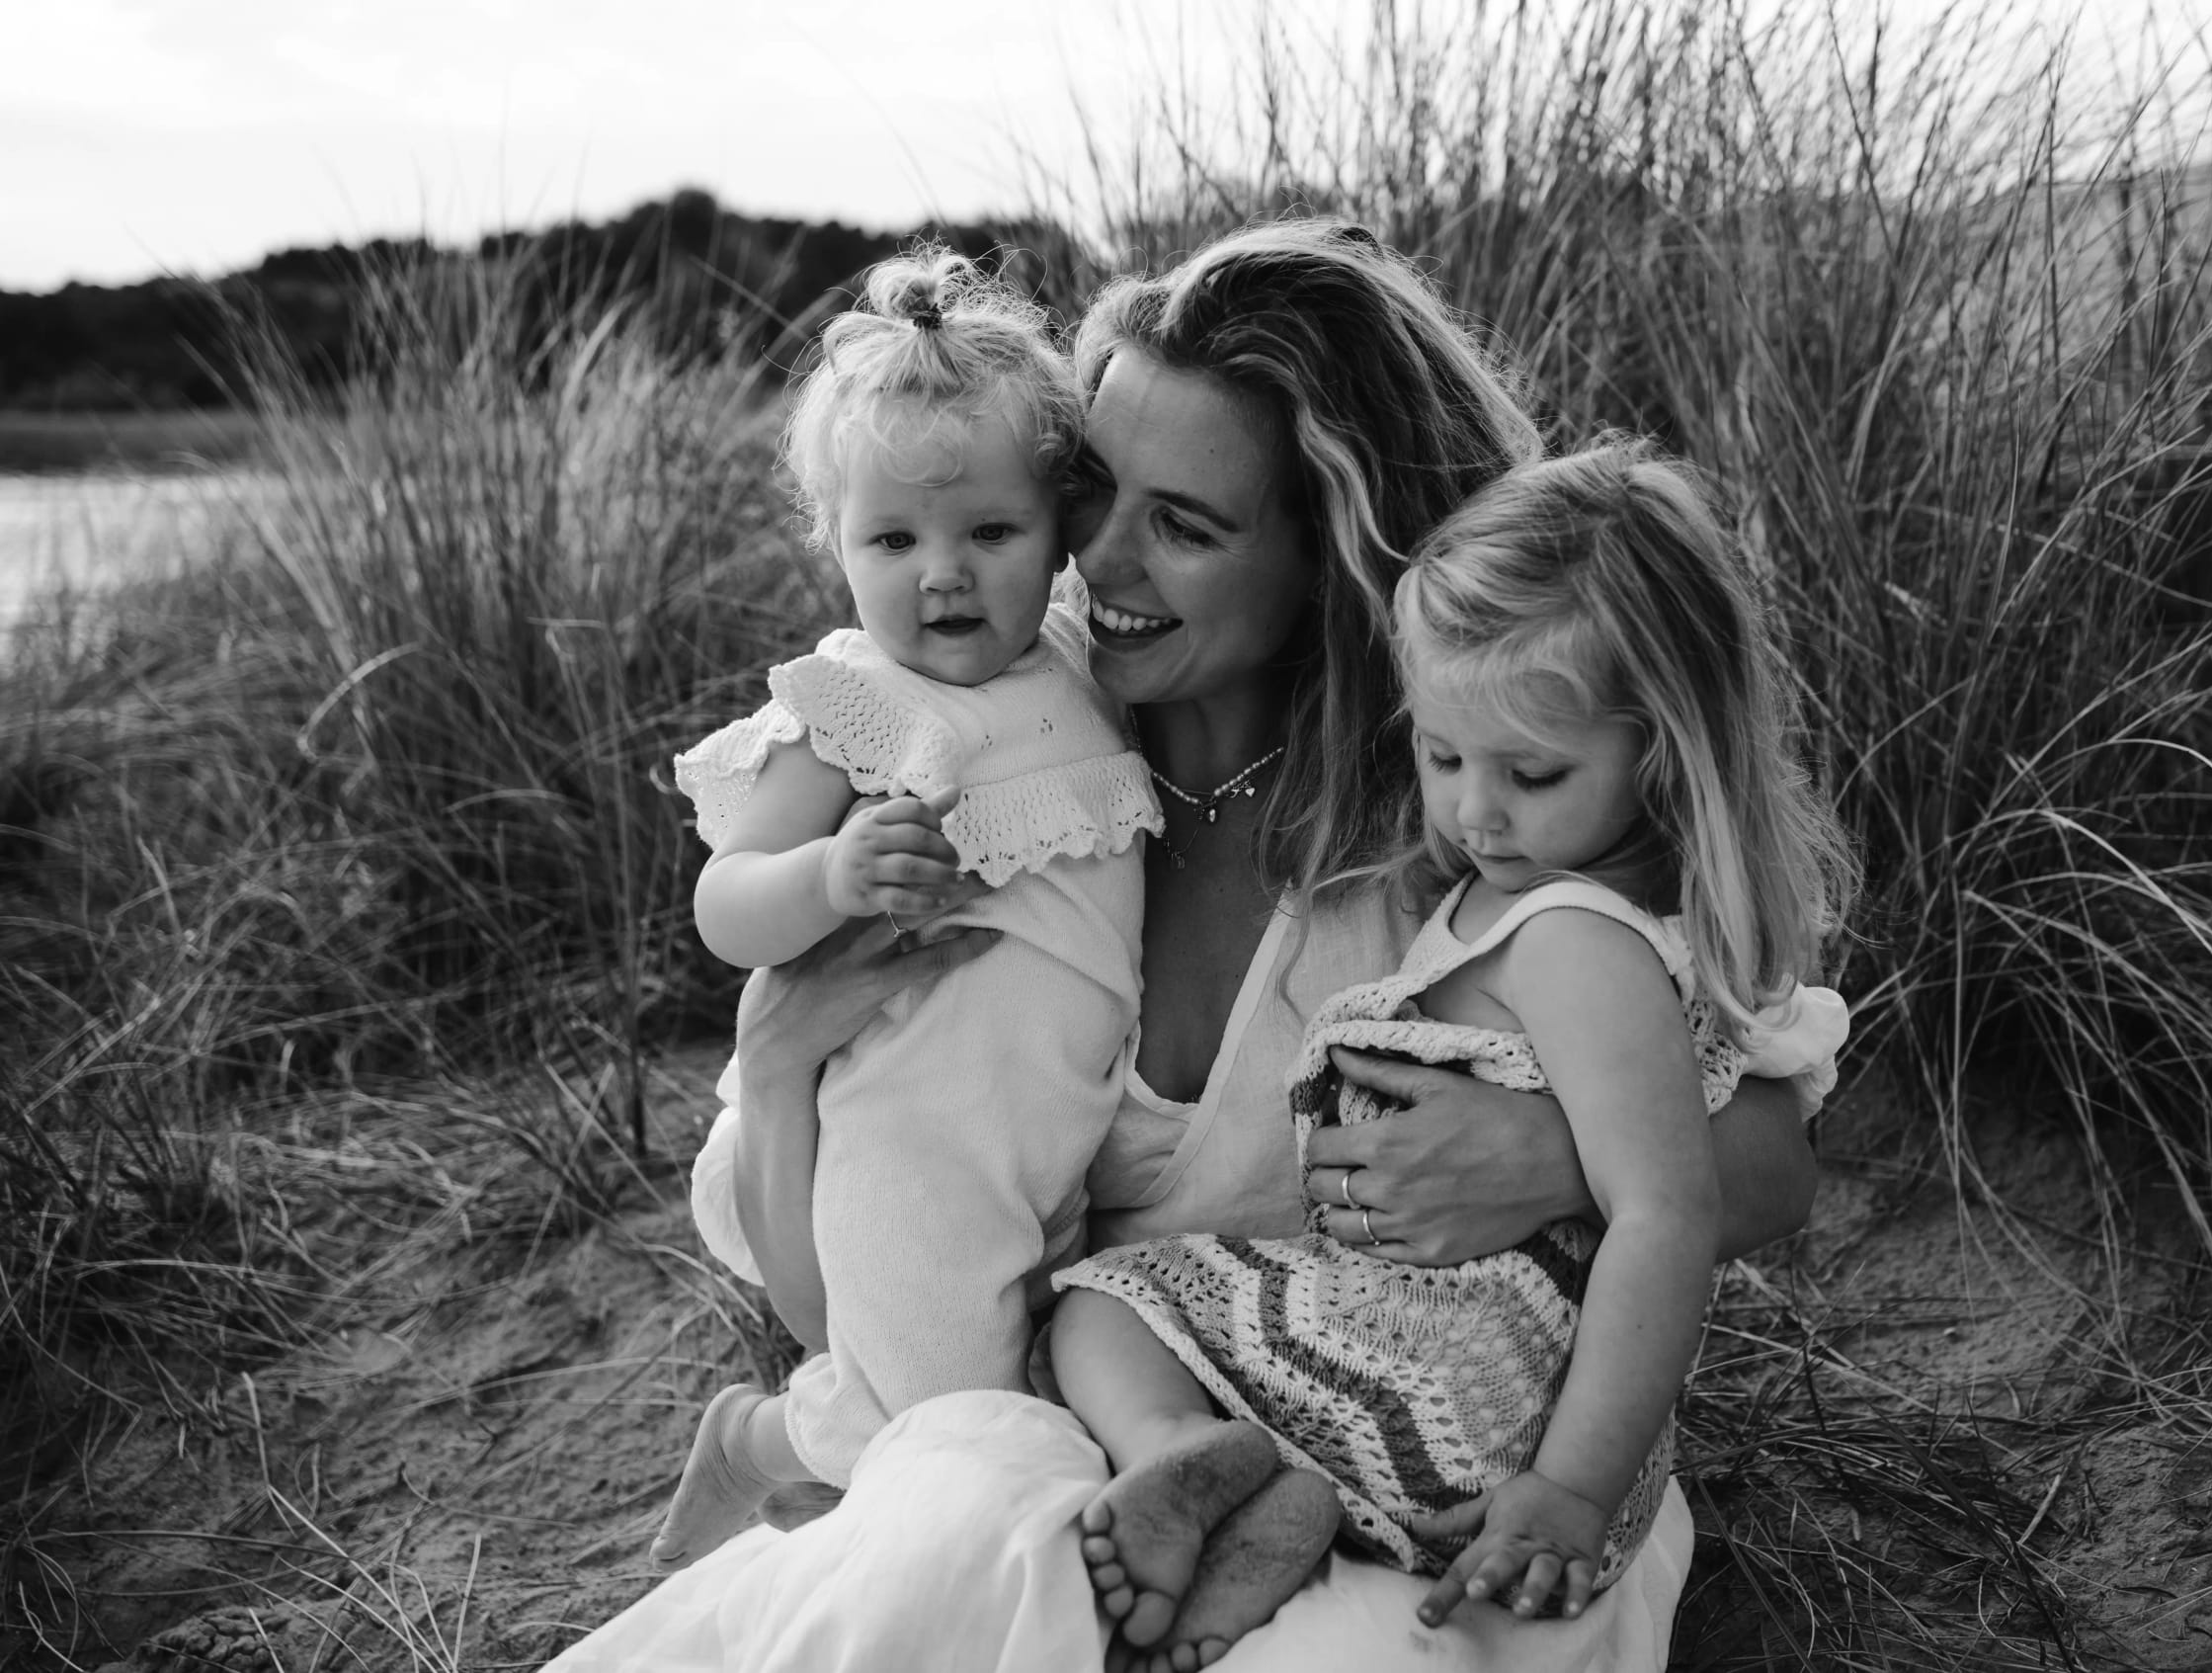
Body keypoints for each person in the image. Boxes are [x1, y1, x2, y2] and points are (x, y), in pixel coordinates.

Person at [547, 220, 1831, 1673]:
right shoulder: (1002, 755)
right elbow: (845, 1307)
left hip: (1422, 1468)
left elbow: (1778, 1145)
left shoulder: (1484, 797)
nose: (1097, 555)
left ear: (1332, 550)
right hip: (1092, 1437)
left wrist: (1549, 1157)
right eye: (1089, 491)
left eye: (1187, 522)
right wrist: (777, 1069)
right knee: (951, 1524)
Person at [1049, 443, 1853, 1672]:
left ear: (1660, 747)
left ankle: (1176, 1444)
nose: (1476, 812)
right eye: (1442, 757)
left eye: (1532, 773)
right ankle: (1276, 1503)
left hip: (1459, 1356)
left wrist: (1575, 1491)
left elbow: (1663, 1211)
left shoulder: (1574, 937)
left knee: (1105, 1309)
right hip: (1447, 1376)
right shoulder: (1536, 892)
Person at [654, 249, 1161, 1569]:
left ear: (1056, 529)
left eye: (988, 533)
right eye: (893, 540)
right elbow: (723, 901)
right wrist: (826, 875)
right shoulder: (860, 707)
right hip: (910, 1130)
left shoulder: (1074, 662)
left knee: (1032, 1381)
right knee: (929, 1406)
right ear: (836, 544)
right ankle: (761, 1446)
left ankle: (826, 1503)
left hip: (1055, 1120)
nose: (942, 575)